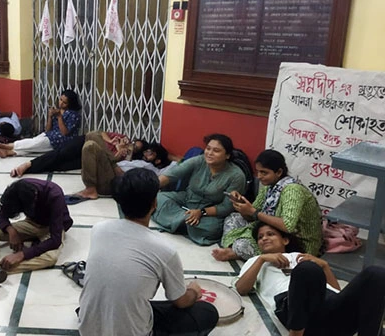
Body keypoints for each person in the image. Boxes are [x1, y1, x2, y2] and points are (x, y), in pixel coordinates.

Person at [78, 168, 218, 336]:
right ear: (154, 204)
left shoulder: (98, 229)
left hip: (87, 328)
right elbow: (181, 302)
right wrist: (194, 291)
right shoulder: (165, 250)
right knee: (206, 311)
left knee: (118, 301)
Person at [235, 222, 385, 336]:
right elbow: (241, 288)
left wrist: (324, 266)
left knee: (376, 274)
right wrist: (262, 260)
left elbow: (337, 292)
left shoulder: (299, 256)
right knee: (306, 270)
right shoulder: (256, 260)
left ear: (285, 241)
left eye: (270, 234)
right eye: (260, 237)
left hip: (334, 316)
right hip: (298, 315)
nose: (264, 239)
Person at [214, 149, 323, 261]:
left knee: (242, 245)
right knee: (233, 218)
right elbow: (252, 217)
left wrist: (253, 212)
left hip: (294, 242)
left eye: (264, 172)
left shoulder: (292, 190)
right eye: (258, 172)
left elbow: (287, 226)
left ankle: (236, 251)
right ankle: (237, 251)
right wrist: (242, 206)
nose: (259, 176)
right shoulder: (269, 187)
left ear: (279, 172)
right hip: (272, 231)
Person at [151, 134, 246, 245]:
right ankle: (185, 220)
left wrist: (201, 212)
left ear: (227, 155)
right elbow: (172, 174)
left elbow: (226, 207)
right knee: (159, 198)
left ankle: (177, 220)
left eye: (216, 151)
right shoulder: (199, 160)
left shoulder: (237, 176)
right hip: (187, 198)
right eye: (208, 148)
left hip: (209, 212)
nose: (209, 153)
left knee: (213, 228)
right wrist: (148, 188)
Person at [0, 178, 73, 274]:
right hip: (31, 223)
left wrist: (23, 254)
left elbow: (55, 240)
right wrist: (11, 231)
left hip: (52, 227)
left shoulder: (54, 194)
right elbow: (0, 217)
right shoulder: (16, 191)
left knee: (50, 258)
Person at [10, 131, 147, 178]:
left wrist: (118, 152)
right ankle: (27, 164)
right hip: (85, 141)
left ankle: (30, 169)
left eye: (135, 148)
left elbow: (110, 162)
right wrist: (111, 141)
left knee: (62, 166)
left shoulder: (124, 156)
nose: (131, 145)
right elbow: (99, 133)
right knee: (61, 154)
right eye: (134, 142)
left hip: (90, 156)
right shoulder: (120, 137)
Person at [70, 136, 167, 202]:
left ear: (158, 160)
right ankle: (113, 164)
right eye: (147, 150)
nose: (146, 153)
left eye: (151, 153)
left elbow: (176, 163)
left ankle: (90, 189)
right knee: (92, 135)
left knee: (90, 145)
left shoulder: (152, 169)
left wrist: (170, 157)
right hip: (111, 169)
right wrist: (119, 152)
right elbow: (128, 153)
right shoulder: (135, 160)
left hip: (114, 180)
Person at [0, 90, 82, 158]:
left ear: (70, 104)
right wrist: (50, 116)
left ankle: (7, 146)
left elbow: (65, 133)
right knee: (33, 146)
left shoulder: (74, 115)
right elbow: (48, 129)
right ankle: (8, 152)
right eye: (60, 99)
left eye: (64, 102)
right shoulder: (57, 110)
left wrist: (59, 117)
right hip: (49, 135)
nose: (61, 103)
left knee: (34, 144)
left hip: (61, 141)